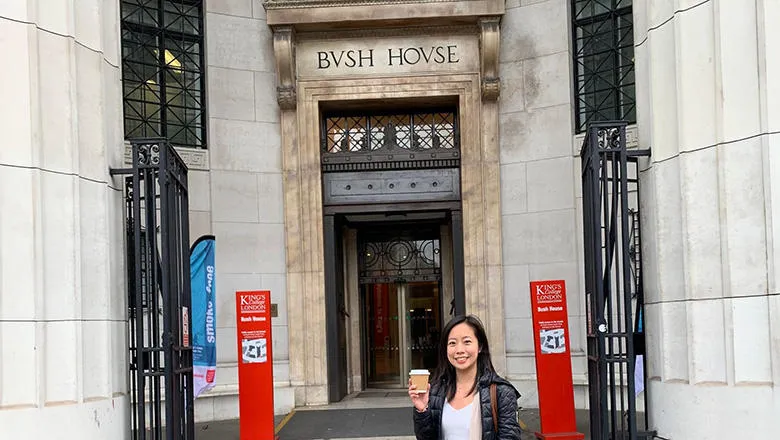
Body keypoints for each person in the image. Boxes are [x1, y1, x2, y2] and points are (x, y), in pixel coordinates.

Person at [409, 315, 522, 440]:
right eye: (452, 343)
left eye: (467, 341)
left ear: (480, 347)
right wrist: (422, 410)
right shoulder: (436, 390)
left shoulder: (501, 392)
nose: (459, 350)